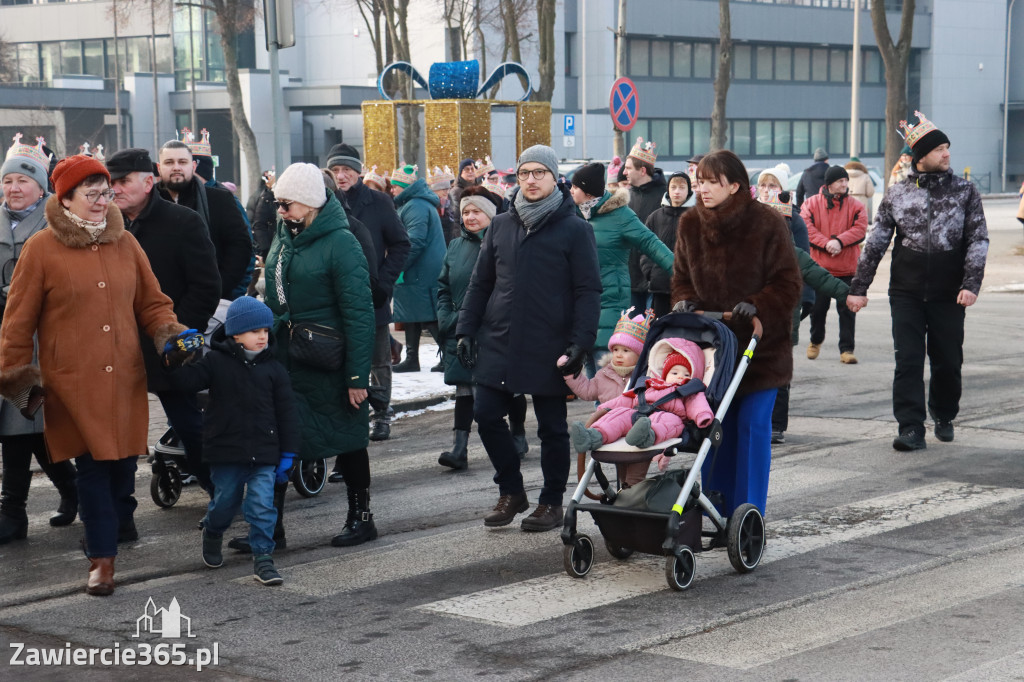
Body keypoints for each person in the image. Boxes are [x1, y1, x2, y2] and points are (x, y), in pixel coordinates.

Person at [0, 154, 197, 596]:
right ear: (65, 198)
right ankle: (102, 560)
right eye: (90, 194)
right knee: (92, 468)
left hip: (124, 377)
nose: (100, 201)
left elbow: (152, 303)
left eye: (105, 192)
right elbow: (16, 326)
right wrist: (25, 394)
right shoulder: (42, 249)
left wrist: (171, 337)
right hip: (72, 383)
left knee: (123, 468)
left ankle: (109, 530)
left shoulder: (125, 243)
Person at [456, 144, 602, 532]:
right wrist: (466, 328)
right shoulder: (502, 224)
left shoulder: (575, 228)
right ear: (516, 178)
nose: (532, 180)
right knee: (486, 414)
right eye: (525, 173)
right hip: (500, 338)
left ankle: (551, 501)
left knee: (552, 427)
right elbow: (481, 282)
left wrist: (580, 342)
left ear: (555, 178)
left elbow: (588, 290)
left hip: (550, 342)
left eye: (540, 172)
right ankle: (511, 490)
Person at [846, 112, 989, 452]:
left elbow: (978, 239)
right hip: (906, 291)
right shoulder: (896, 195)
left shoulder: (965, 191)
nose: (947, 154)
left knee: (947, 360)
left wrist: (971, 282)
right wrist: (859, 287)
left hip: (949, 292)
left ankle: (943, 413)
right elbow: (877, 241)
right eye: (939, 148)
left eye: (947, 147)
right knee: (908, 360)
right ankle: (910, 427)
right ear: (920, 155)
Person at [671, 150, 801, 518]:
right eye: (700, 181)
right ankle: (716, 507)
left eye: (712, 182)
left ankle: (749, 515)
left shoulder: (767, 222)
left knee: (751, 426)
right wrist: (684, 302)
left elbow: (788, 282)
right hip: (712, 351)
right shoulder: (690, 224)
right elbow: (680, 279)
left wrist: (758, 303)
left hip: (760, 351)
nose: (703, 188)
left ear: (735, 185)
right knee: (716, 430)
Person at [262, 163, 377, 547]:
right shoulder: (284, 236)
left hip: (328, 360)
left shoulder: (342, 243)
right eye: (277, 203)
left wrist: (358, 377)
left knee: (347, 436)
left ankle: (361, 517)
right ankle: (270, 527)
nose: (279, 211)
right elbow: (273, 296)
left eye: (286, 204)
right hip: (286, 358)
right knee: (279, 439)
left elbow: (360, 314)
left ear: (310, 204)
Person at [107, 148, 221, 498]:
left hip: (169, 347)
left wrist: (174, 336)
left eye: (123, 181)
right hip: (119, 347)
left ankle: (218, 491)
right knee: (119, 431)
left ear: (148, 181)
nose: (116, 189)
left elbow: (206, 287)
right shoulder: (108, 225)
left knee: (190, 425)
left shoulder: (182, 221)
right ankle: (121, 510)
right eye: (111, 182)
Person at [166, 297, 300, 586]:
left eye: (265, 330)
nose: (262, 336)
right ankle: (213, 532)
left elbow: (288, 413)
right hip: (227, 451)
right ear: (235, 334)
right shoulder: (215, 362)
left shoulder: (274, 369)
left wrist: (288, 453)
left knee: (262, 506)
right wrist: (175, 357)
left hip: (265, 453)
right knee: (225, 503)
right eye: (254, 331)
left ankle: (264, 559)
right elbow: (183, 383)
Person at [0, 134, 78, 544]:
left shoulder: (55, 226)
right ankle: (71, 488)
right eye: (8, 180)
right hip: (3, 341)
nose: (14, 188)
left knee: (24, 424)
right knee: (24, 428)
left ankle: (13, 514)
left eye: (23, 181)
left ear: (42, 186)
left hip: (38, 345)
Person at [436, 186, 529, 470]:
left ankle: (518, 434)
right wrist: (447, 317)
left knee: (507, 386)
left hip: (496, 328)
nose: (470, 217)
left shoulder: (507, 241)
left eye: (476, 211)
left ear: (490, 214)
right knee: (464, 388)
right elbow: (443, 287)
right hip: (460, 329)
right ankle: (459, 449)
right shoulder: (455, 246)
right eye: (465, 212)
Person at [755, 171, 850, 445]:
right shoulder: (750, 255)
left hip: (785, 326)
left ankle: (776, 425)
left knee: (779, 376)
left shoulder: (795, 255)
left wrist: (848, 295)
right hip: (753, 325)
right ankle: (755, 420)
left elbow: (821, 276)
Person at [327, 144, 409, 441]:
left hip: (371, 293)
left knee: (377, 359)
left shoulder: (378, 202)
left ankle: (382, 412)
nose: (341, 175)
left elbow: (401, 244)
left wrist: (384, 283)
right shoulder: (323, 203)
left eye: (346, 169)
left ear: (358, 172)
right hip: (335, 297)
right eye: (335, 170)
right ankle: (350, 412)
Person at [569, 161, 673, 373]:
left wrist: (685, 275)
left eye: (575, 187)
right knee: (590, 381)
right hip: (579, 308)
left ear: (588, 193)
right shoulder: (575, 215)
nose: (570, 191)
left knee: (605, 377)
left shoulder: (620, 216)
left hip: (609, 303)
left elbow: (652, 244)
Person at [570, 338, 713, 452]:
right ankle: (594, 436)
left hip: (668, 416)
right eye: (674, 373)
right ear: (665, 374)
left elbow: (697, 404)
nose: (680, 377)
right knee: (620, 414)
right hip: (639, 413)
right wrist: (605, 408)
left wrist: (703, 416)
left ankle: (647, 436)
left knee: (669, 421)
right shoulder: (650, 385)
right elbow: (628, 399)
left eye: (686, 374)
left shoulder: (688, 391)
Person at [561, 309, 652, 486]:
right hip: (612, 430)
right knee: (622, 468)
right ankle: (625, 493)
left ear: (640, 355)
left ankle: (631, 492)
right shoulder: (605, 374)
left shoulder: (645, 378)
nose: (618, 354)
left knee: (635, 471)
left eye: (626, 350)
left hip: (637, 432)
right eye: (616, 349)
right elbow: (587, 390)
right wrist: (571, 374)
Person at [156, 139, 252, 301]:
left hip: (214, 301)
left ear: (193, 167)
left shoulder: (220, 200)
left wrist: (217, 289)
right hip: (162, 304)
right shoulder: (148, 204)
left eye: (182, 162)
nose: (176, 167)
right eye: (169, 162)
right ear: (159, 168)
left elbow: (240, 248)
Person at [801, 165, 867, 365]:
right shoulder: (811, 204)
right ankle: (815, 340)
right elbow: (806, 227)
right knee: (818, 309)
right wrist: (825, 243)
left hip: (847, 268)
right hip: (820, 269)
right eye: (840, 181)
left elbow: (861, 228)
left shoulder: (856, 206)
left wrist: (839, 241)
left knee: (847, 311)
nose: (845, 184)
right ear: (829, 184)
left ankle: (847, 349)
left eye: (846, 181)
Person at [389, 165, 446, 374]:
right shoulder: (415, 204)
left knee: (428, 315)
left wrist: (398, 265)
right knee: (411, 313)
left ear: (404, 187)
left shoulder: (415, 206)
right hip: (418, 269)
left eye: (395, 187)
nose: (392, 190)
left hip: (420, 270)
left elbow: (415, 241)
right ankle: (412, 359)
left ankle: (450, 356)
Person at [624, 138, 668, 312]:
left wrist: (653, 272)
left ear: (642, 170)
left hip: (655, 282)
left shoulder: (665, 196)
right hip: (631, 280)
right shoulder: (625, 197)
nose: (624, 172)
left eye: (628, 168)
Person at [642, 171, 693, 317]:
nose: (677, 191)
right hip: (659, 285)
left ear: (689, 190)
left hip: (686, 289)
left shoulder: (695, 216)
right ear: (668, 189)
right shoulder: (655, 216)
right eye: (673, 187)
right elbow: (645, 247)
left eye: (682, 187)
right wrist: (650, 273)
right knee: (658, 330)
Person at [428, 166, 458, 244]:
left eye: (448, 189)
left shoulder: (449, 206)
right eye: (443, 189)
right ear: (434, 191)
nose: (446, 192)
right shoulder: (430, 206)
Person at [845, 157, 876, 223]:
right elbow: (870, 192)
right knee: (860, 222)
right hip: (861, 200)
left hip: (846, 200)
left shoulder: (843, 175)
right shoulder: (865, 176)